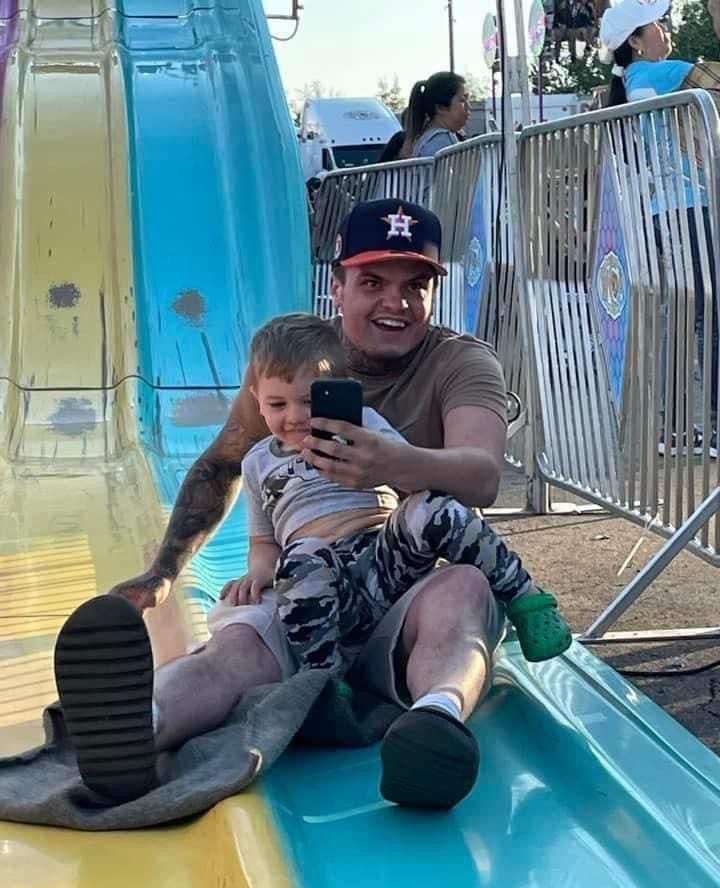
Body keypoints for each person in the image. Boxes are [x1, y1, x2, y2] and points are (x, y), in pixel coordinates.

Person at [56, 199, 569, 812]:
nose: (395, 303)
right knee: (236, 646)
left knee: (461, 591)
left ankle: (434, 728)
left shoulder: (461, 362)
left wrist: (390, 464)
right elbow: (224, 463)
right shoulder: (290, 366)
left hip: (403, 587)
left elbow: (481, 476)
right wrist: (164, 571)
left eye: (416, 285)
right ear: (339, 285)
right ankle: (137, 729)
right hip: (310, 591)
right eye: (373, 282)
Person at [219, 312, 570, 686]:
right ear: (256, 399)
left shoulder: (364, 424)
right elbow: (263, 540)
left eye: (309, 400)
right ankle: (323, 680)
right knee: (299, 556)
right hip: (325, 581)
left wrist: (378, 457)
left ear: (340, 388)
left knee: (432, 507)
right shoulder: (258, 463)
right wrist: (260, 570)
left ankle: (525, 597)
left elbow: (411, 480)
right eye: (278, 405)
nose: (295, 417)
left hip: (385, 561)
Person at [600, 0, 718, 457]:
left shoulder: (629, 82)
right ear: (635, 40)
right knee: (706, 317)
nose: (666, 31)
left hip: (658, 212)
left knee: (679, 317)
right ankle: (710, 425)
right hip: (689, 207)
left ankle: (675, 428)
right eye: (658, 25)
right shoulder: (664, 72)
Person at [400, 72, 469, 159]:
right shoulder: (441, 140)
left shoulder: (426, 138)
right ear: (441, 107)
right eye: (462, 100)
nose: (468, 106)